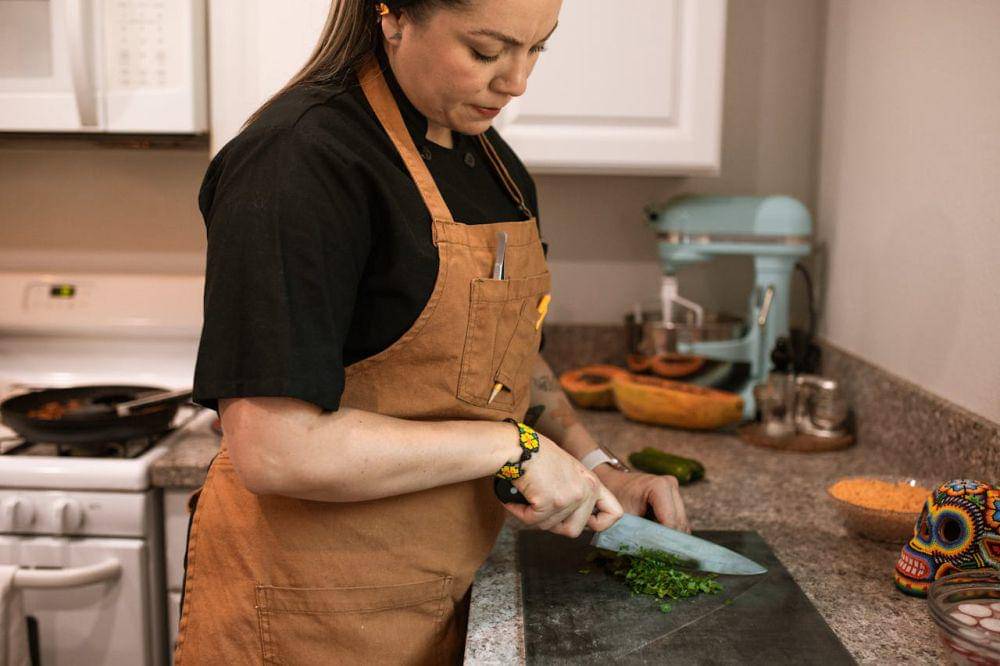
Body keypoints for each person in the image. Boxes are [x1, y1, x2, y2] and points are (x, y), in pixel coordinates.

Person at [174, 0, 689, 663]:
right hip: (306, 613)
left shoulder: (491, 161)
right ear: (393, 16)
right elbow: (274, 449)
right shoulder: (299, 159)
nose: (516, 82)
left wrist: (598, 469)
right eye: (485, 51)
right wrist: (512, 447)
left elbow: (506, 359)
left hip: (439, 595)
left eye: (538, 48)